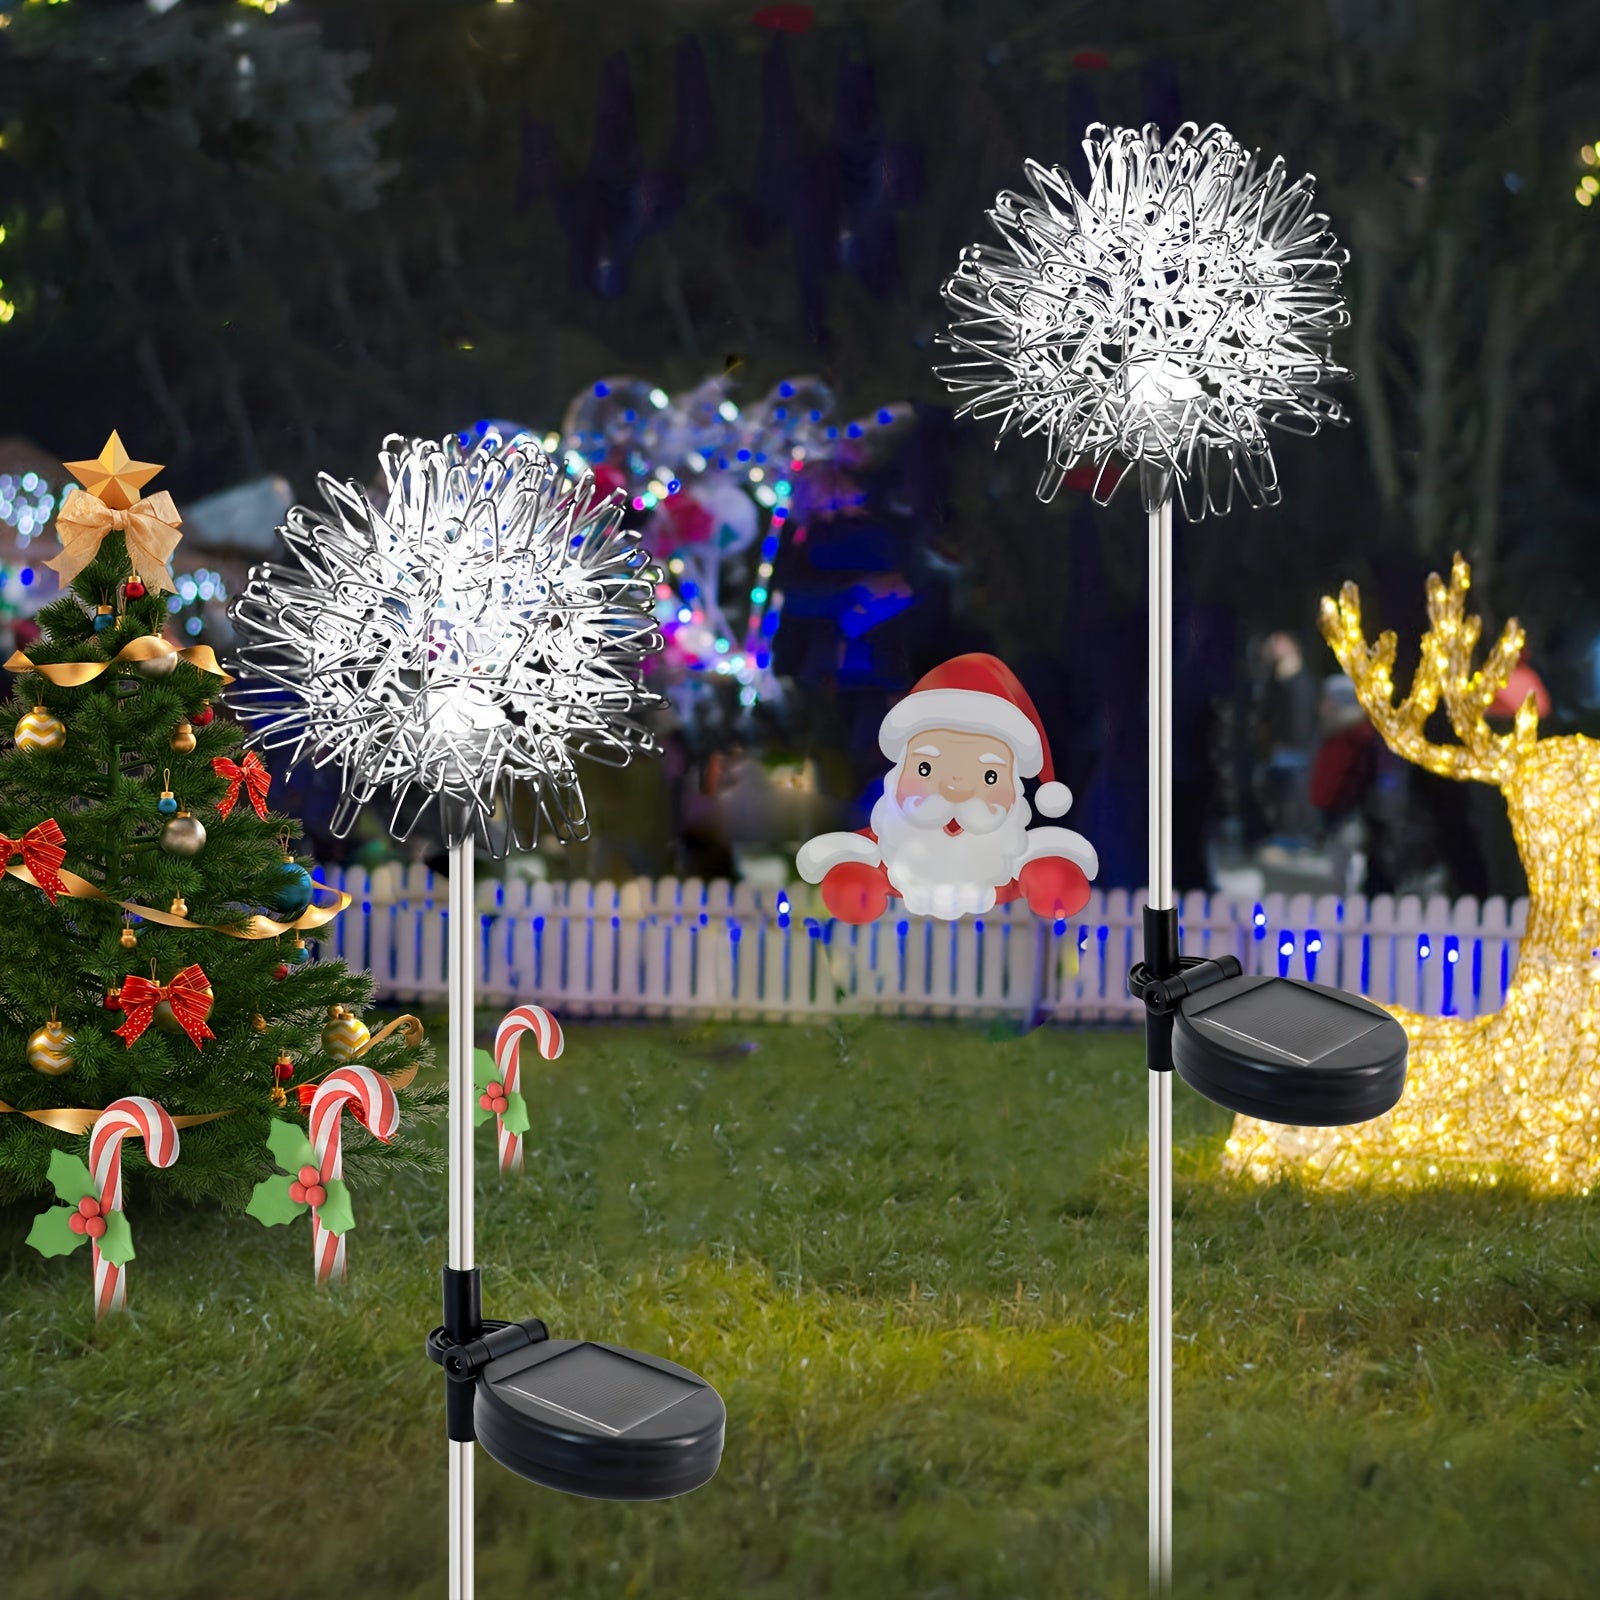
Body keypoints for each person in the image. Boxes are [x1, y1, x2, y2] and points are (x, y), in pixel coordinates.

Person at [795, 653, 1097, 921]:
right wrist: (855, 880)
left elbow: (1052, 881)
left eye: (989, 777)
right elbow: (855, 875)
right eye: (925, 768)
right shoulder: (890, 846)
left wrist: (1051, 876)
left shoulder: (1004, 855)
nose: (955, 790)